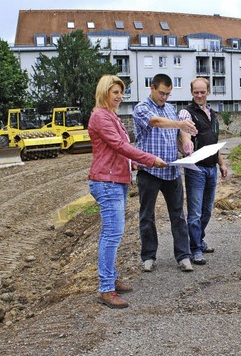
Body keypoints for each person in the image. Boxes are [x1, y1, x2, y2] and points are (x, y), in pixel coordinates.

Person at [88, 74, 167, 309]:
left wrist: (135, 163)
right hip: (107, 181)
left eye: (121, 93)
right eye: (115, 92)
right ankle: (105, 288)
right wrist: (150, 159)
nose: (120, 96)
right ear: (104, 93)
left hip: (116, 180)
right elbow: (121, 146)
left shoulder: (111, 116)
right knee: (112, 235)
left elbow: (119, 151)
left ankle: (110, 278)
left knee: (112, 234)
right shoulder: (101, 116)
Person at [132, 73, 198, 272]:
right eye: (161, 93)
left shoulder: (171, 109)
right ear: (151, 87)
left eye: (168, 94)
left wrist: (185, 146)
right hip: (149, 171)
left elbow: (175, 137)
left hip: (172, 171)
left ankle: (183, 255)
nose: (164, 98)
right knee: (147, 216)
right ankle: (149, 256)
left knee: (178, 215)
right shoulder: (141, 108)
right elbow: (156, 122)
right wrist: (180, 124)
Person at [179, 77, 228, 265]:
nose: (199, 95)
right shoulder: (186, 112)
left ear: (208, 91)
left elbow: (214, 144)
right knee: (195, 213)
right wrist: (186, 141)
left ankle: (199, 239)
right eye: (195, 92)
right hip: (196, 169)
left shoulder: (212, 114)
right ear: (192, 93)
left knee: (207, 210)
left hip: (211, 168)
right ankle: (195, 249)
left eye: (202, 92)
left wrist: (222, 163)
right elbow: (184, 130)